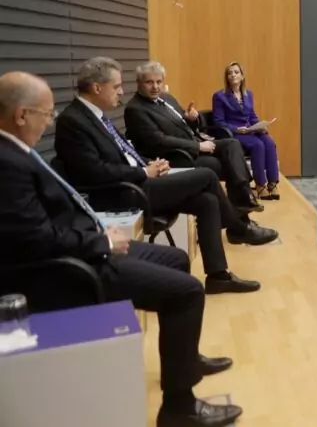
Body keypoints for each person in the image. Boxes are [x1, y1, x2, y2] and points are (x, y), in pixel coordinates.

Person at [0, 71, 243, 427]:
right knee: (188, 292)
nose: (50, 121)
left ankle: (183, 362)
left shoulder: (17, 154)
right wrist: (102, 242)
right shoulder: (7, 165)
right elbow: (33, 240)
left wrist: (100, 232)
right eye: (46, 114)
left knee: (176, 259)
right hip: (66, 268)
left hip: (83, 245)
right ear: (22, 115)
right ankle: (179, 408)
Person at [54, 58, 276, 292]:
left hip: (138, 181)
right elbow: (93, 172)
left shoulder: (96, 115)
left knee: (207, 201)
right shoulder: (74, 121)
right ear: (97, 88)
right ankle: (238, 228)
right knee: (207, 176)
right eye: (116, 86)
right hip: (123, 193)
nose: (121, 92)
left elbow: (123, 153)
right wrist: (143, 171)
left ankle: (218, 276)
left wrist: (150, 164)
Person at [125, 61, 262, 212]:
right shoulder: (135, 109)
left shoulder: (167, 98)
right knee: (225, 164)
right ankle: (241, 209)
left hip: (193, 143)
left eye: (159, 82)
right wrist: (198, 146)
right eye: (149, 82)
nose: (155, 87)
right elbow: (158, 140)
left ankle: (243, 194)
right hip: (177, 156)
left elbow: (184, 124)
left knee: (232, 144)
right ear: (138, 83)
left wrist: (191, 119)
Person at [211, 62, 282, 200]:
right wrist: (236, 129)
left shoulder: (248, 94)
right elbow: (218, 122)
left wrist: (260, 125)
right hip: (234, 133)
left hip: (250, 130)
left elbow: (252, 117)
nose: (233, 75)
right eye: (230, 73)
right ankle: (260, 185)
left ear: (242, 76)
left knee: (269, 143)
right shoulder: (219, 96)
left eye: (236, 72)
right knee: (258, 145)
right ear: (227, 77)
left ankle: (272, 184)